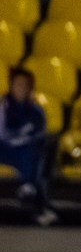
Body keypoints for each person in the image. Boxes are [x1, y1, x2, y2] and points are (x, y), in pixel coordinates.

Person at [0, 66, 54, 225]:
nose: (20, 89)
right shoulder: (4, 107)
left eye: (24, 85)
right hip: (5, 149)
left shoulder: (36, 111)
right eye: (17, 85)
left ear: (30, 89)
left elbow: (40, 134)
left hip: (25, 152)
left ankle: (30, 191)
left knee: (33, 151)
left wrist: (24, 140)